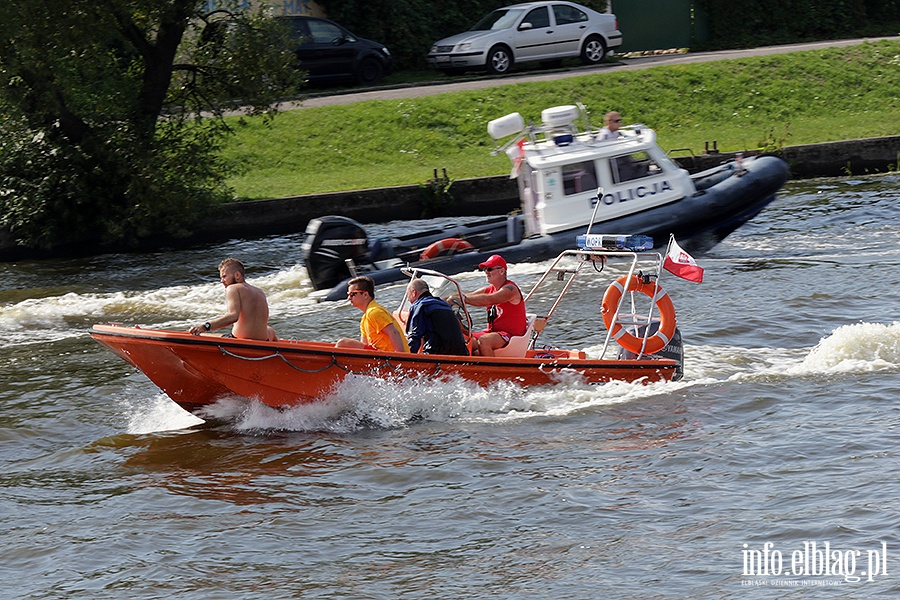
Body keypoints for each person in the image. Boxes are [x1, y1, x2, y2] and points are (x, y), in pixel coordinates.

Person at [451, 254, 527, 357]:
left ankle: (493, 371)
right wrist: (444, 300)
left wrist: (462, 299)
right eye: (485, 269)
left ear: (501, 271)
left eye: (490, 269)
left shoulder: (510, 289)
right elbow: (466, 295)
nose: (486, 272)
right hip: (492, 333)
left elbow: (490, 299)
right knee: (461, 337)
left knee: (484, 341)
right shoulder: (489, 289)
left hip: (510, 335)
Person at [189, 258, 278, 341]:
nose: (222, 281)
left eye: (224, 276)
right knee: (270, 330)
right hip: (264, 340)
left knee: (195, 335)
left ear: (237, 275)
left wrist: (206, 326)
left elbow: (233, 316)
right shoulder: (259, 291)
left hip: (240, 340)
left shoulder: (233, 288)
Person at [336, 276, 410, 353]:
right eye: (348, 294)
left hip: (390, 357)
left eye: (352, 294)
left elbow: (394, 332)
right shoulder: (365, 318)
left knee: (343, 343)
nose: (349, 298)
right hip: (378, 356)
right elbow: (363, 344)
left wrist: (400, 357)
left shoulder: (375, 312)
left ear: (365, 294)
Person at [405, 278, 469, 356]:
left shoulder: (419, 305)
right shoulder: (444, 304)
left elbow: (414, 336)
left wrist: (406, 357)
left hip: (437, 354)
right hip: (461, 354)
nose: (408, 299)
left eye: (407, 294)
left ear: (414, 293)